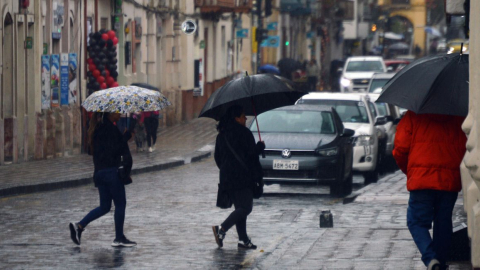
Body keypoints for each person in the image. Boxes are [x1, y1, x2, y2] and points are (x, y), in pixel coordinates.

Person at [393, 111, 466, 270]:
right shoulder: (458, 117)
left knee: (416, 222)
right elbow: (465, 148)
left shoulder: (413, 115)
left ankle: (431, 258)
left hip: (422, 180)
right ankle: (441, 262)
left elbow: (400, 148)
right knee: (443, 222)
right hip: (448, 180)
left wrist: (412, 171)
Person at [69, 112, 136, 247]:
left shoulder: (97, 128)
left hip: (99, 173)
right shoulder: (110, 128)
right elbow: (114, 151)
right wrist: (125, 137)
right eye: (117, 111)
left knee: (105, 206)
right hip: (111, 173)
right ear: (110, 113)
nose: (120, 113)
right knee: (120, 204)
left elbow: (95, 151)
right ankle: (119, 238)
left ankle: (80, 226)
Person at [212, 105, 265, 249]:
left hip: (227, 178)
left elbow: (217, 157)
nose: (245, 118)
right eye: (243, 116)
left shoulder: (221, 135)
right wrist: (260, 147)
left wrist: (226, 169)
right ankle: (221, 229)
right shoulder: (244, 133)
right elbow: (251, 154)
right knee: (246, 208)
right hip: (243, 178)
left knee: (240, 208)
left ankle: (243, 239)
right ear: (236, 118)